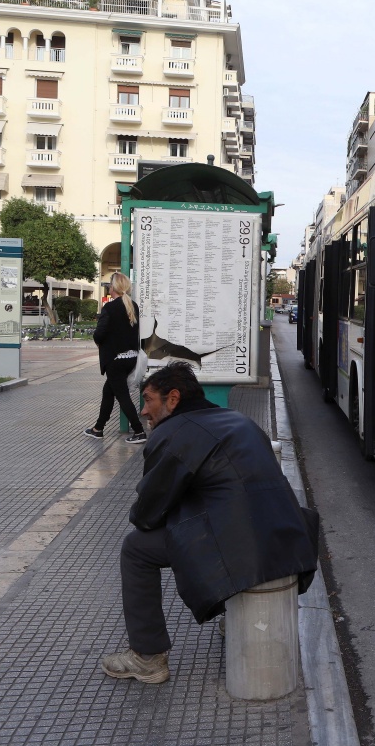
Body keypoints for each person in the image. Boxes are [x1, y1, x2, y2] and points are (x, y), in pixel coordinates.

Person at [101, 362, 320, 684]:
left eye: (148, 400)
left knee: (137, 548)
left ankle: (147, 656)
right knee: (215, 518)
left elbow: (147, 515)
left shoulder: (173, 434)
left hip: (245, 548)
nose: (144, 411)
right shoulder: (238, 419)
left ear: (172, 399)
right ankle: (232, 614)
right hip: (291, 539)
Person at [85, 273, 147, 444]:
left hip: (115, 360)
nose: (109, 288)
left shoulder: (109, 308)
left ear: (113, 288)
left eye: (109, 286)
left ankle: (139, 431)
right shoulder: (133, 306)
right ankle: (98, 428)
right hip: (130, 358)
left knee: (122, 396)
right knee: (108, 392)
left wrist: (98, 340)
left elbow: (99, 334)